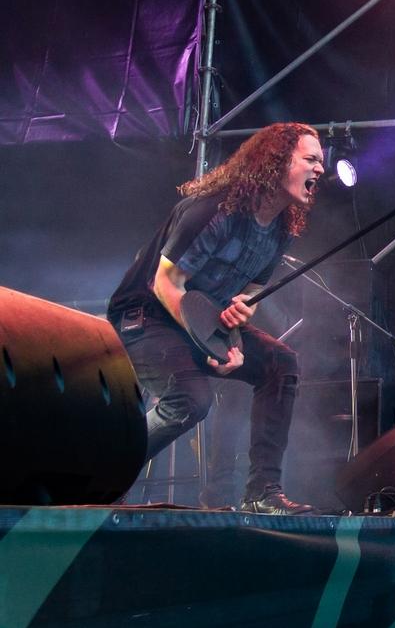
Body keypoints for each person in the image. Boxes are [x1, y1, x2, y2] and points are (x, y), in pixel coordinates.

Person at [107, 122, 323, 515]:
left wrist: (236, 328)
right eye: (310, 158)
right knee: (190, 400)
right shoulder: (215, 208)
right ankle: (102, 473)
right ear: (275, 161)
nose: (320, 169)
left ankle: (262, 493)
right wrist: (214, 343)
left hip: (201, 322)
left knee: (280, 363)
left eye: (321, 162)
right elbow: (166, 283)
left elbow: (251, 292)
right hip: (146, 316)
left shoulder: (281, 230)